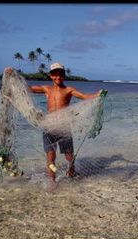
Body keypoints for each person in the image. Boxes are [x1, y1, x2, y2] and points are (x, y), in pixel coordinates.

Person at [27, 62, 102, 190]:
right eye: (55, 75)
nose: (58, 78)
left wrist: (98, 94)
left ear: (64, 76)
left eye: (60, 75)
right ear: (51, 76)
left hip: (64, 127)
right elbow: (27, 89)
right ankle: (52, 181)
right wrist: (13, 78)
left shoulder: (69, 90)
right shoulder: (46, 89)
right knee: (50, 156)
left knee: (69, 155)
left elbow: (85, 97)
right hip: (49, 126)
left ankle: (72, 171)